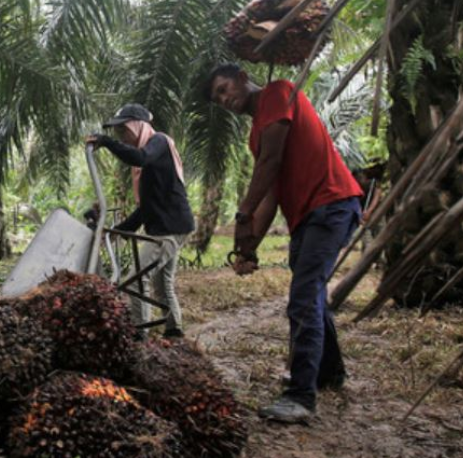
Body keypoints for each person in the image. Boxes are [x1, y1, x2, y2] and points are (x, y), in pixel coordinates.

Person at [204, 63, 362, 424]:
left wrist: (243, 212)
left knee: (303, 298)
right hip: (305, 218)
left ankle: (301, 396)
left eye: (225, 88)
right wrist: (248, 248)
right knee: (312, 295)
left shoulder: (278, 92)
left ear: (243, 77)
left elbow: (271, 164)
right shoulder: (255, 135)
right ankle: (329, 373)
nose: (225, 99)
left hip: (332, 204)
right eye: (218, 97)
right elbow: (272, 194)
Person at [87, 103, 195, 339]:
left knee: (135, 280)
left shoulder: (158, 142)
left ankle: (140, 334)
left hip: (170, 229)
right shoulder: (146, 166)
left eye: (123, 131)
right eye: (118, 134)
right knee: (161, 282)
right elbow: (145, 209)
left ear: (138, 126)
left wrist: (106, 142)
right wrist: (117, 230)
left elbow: (140, 157)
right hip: (170, 226)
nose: (122, 137)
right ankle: (174, 331)